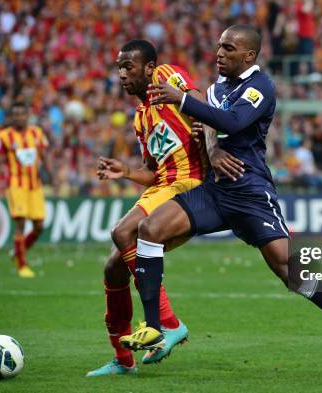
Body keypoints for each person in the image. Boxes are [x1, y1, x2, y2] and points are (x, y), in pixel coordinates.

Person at [119, 25, 322, 377]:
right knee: (149, 228)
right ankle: (156, 327)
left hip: (250, 192)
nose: (219, 53)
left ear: (249, 55)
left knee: (289, 271)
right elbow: (207, 127)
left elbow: (234, 121)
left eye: (229, 48)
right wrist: (214, 148)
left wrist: (183, 100)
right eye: (219, 46)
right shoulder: (218, 87)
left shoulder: (260, 86)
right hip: (217, 191)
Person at [88, 39, 238, 377]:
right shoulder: (140, 117)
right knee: (113, 268)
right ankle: (123, 361)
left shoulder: (168, 77)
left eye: (129, 66)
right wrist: (126, 172)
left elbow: (203, 106)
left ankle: (168, 324)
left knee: (122, 232)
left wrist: (211, 146)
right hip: (163, 185)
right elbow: (154, 171)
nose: (123, 74)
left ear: (149, 67)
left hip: (190, 182)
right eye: (119, 68)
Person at [0, 101, 50, 279]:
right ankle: (22, 264)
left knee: (39, 226)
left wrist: (52, 175)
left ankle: (18, 252)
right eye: (15, 114)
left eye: (22, 114)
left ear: (27, 116)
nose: (19, 117)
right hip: (16, 185)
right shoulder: (5, 136)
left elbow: (44, 156)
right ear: (11, 117)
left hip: (35, 185)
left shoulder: (36, 133)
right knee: (21, 223)